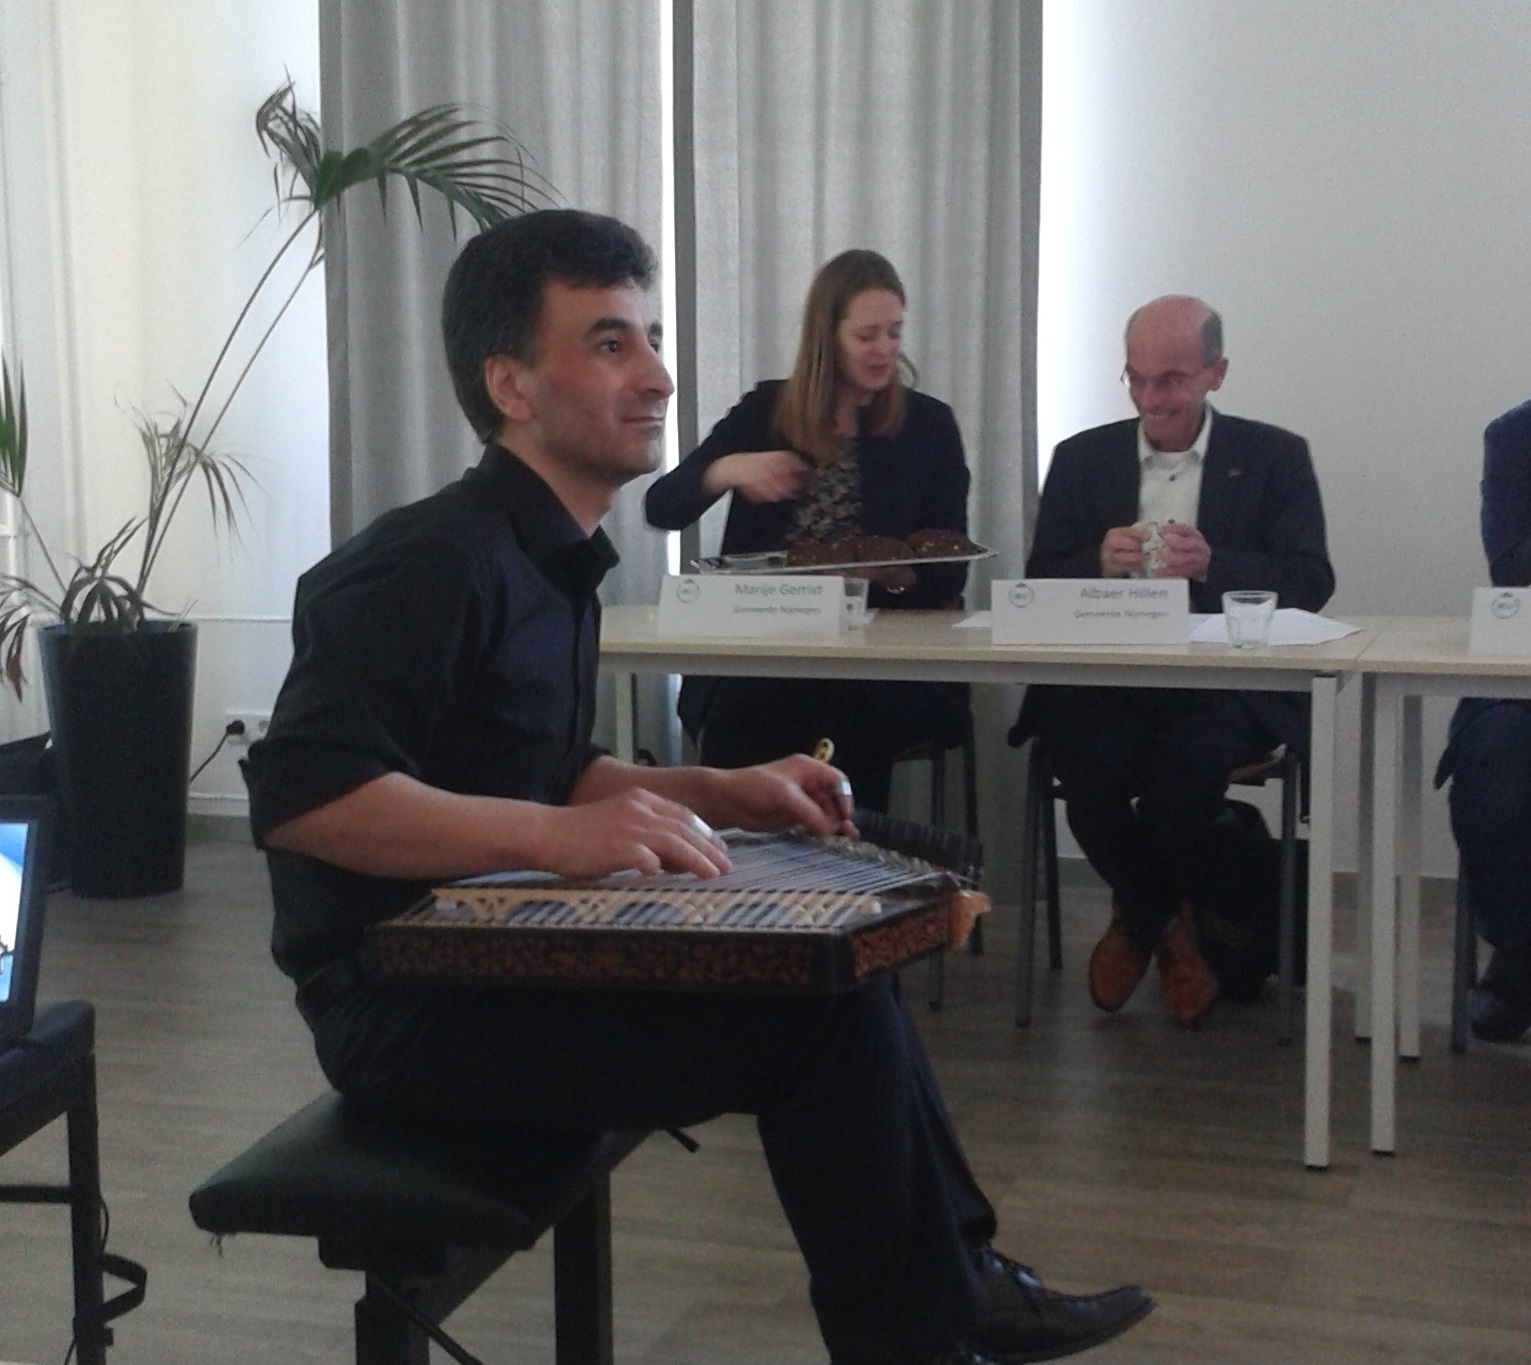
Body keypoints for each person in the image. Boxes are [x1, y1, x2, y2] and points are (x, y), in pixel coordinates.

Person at [242, 209, 1151, 1365]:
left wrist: (720, 788)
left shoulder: (544, 557)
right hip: (405, 1004)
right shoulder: (426, 562)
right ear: (510, 385)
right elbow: (309, 801)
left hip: (486, 953)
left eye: (652, 339)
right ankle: (942, 1321)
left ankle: (958, 1291)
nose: (658, 376)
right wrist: (559, 839)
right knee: (816, 1019)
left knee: (842, 964)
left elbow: (545, 770)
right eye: (610, 343)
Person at [1008, 295, 1334, 1025]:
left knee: (1178, 788)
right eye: (1137, 379)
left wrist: (1214, 564)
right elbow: (1038, 581)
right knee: (1085, 773)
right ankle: (1162, 921)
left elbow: (1311, 579)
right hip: (1107, 683)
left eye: (1172, 380)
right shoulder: (1081, 458)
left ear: (1216, 372)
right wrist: (1095, 562)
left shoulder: (1274, 457)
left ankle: (1139, 917)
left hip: (1221, 688)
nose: (1151, 399)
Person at [644, 249, 971, 812]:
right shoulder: (766, 411)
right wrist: (728, 469)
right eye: (867, 335)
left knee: (844, 711)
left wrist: (890, 574)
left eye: (894, 332)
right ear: (827, 336)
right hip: (768, 646)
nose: (886, 349)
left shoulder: (929, 425)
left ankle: (843, 859)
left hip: (880, 658)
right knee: (748, 710)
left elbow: (952, 569)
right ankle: (743, 860)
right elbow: (662, 506)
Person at [1435, 398, 1531, 1042]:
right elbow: (1513, 568)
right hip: (1521, 680)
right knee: (1494, 766)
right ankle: (1519, 951)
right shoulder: (1515, 436)